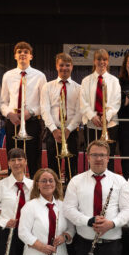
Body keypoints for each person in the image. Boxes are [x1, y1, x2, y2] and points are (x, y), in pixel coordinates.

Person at [1, 41, 47, 172]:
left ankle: (33, 187)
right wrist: (9, 114)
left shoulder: (40, 76)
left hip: (32, 122)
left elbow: (44, 103)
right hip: (13, 122)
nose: (22, 54)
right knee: (13, 157)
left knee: (33, 158)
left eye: (26, 52)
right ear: (15, 56)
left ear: (31, 56)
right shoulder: (7, 76)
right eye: (19, 52)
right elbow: (3, 102)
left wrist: (31, 112)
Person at [42, 52, 81, 185]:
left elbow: (79, 112)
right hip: (53, 133)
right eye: (61, 65)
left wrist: (69, 129)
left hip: (71, 133)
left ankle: (70, 193)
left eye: (67, 65)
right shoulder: (47, 86)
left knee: (72, 167)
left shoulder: (78, 88)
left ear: (72, 67)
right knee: (53, 167)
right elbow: (45, 110)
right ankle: (54, 194)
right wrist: (54, 130)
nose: (64, 68)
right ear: (56, 66)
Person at [79, 49, 121, 152]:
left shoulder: (114, 80)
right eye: (99, 59)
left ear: (108, 61)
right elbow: (83, 101)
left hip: (110, 124)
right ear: (94, 61)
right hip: (91, 123)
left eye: (104, 59)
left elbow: (116, 101)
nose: (102, 62)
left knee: (108, 157)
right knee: (92, 155)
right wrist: (92, 116)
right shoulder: (86, 80)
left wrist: (106, 116)